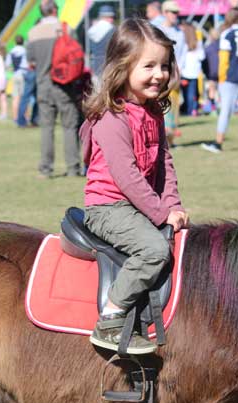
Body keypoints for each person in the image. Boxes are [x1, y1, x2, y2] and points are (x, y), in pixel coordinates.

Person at [80, 18, 188, 354]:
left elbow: (165, 165)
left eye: (164, 66)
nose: (159, 74)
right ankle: (111, 319)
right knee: (154, 250)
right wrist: (159, 213)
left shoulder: (153, 113)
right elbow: (127, 177)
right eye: (149, 66)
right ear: (123, 68)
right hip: (108, 208)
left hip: (136, 205)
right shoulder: (112, 119)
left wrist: (173, 207)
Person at [26, 0, 83, 178]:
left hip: (43, 85)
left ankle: (46, 169)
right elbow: (76, 58)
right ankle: (73, 168)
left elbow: (31, 62)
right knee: (69, 126)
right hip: (65, 85)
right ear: (55, 10)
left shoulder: (33, 33)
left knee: (47, 128)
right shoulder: (66, 29)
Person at [201, 7, 238, 153]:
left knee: (225, 111)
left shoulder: (227, 34)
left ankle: (218, 143)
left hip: (231, 78)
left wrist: (220, 80)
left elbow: (223, 60)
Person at [157, 1, 187, 146]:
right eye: (173, 12)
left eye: (177, 13)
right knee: (161, 106)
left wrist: (180, 69)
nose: (176, 15)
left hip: (175, 74)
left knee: (174, 106)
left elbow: (183, 53)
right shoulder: (157, 30)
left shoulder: (179, 32)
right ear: (165, 13)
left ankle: (171, 140)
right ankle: (162, 139)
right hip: (161, 74)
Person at [179, 22, 204, 116]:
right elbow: (202, 57)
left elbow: (181, 58)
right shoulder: (198, 44)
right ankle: (192, 109)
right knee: (192, 92)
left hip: (184, 71)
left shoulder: (183, 43)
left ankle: (187, 109)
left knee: (185, 92)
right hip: (194, 72)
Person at [87, 4, 116, 83]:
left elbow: (89, 51)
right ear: (108, 17)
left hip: (95, 66)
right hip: (109, 66)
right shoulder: (112, 30)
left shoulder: (92, 30)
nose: (113, 19)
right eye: (112, 17)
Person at [7, 36, 28, 122]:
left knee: (15, 97)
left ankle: (15, 117)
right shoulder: (25, 51)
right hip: (23, 74)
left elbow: (8, 65)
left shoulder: (11, 51)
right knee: (24, 97)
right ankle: (25, 116)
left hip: (15, 75)